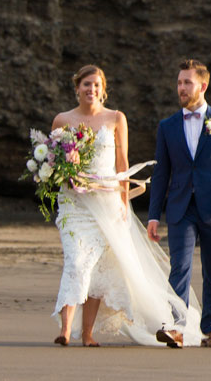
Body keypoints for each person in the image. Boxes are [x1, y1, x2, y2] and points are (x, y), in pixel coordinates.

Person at [50, 65, 200, 346]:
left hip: (107, 201)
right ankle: (65, 330)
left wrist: (122, 204)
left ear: (103, 90)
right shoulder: (62, 120)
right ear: (76, 88)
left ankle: (89, 334)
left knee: (99, 265)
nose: (91, 90)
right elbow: (53, 159)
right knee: (76, 260)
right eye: (86, 84)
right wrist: (61, 176)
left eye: (96, 85)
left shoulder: (116, 118)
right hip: (74, 203)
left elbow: (122, 164)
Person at [147, 58, 211, 348]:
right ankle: (175, 327)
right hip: (179, 207)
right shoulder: (167, 126)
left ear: (203, 85)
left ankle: (210, 330)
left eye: (187, 82)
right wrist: (153, 215)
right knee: (180, 268)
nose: (181, 88)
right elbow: (161, 172)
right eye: (179, 82)